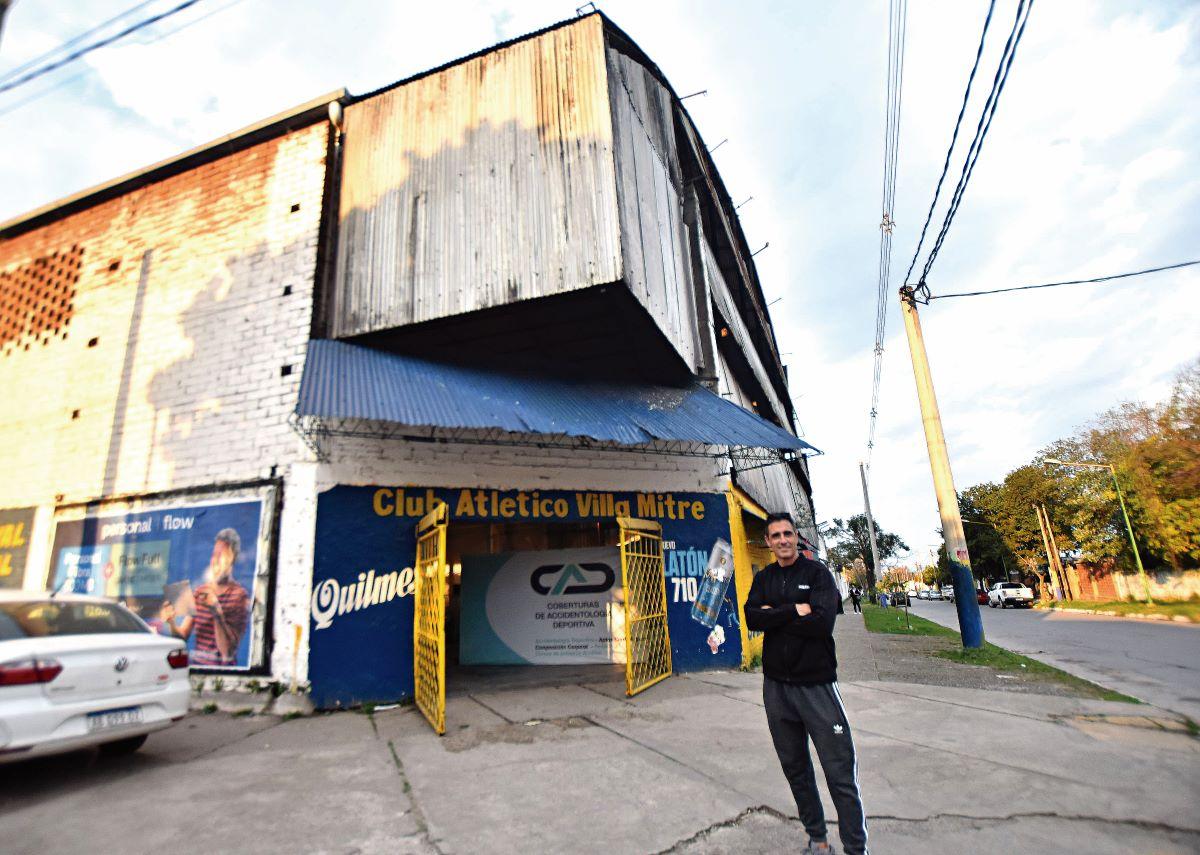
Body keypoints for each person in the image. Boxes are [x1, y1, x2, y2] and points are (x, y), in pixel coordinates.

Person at [745, 512, 869, 855]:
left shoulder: (818, 574)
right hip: (777, 690)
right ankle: (818, 840)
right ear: (768, 542)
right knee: (796, 770)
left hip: (817, 687)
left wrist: (776, 615)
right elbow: (752, 616)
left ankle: (856, 849)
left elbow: (821, 624)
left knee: (839, 773)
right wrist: (793, 610)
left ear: (796, 538)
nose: (782, 540)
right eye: (775, 535)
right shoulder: (765, 578)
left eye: (787, 533)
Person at [161, 528, 251, 666]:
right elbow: (183, 635)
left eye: (221, 555)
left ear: (232, 557)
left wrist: (216, 611)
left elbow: (227, 653)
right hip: (198, 668)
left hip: (223, 676)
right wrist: (172, 623)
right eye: (214, 554)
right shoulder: (200, 592)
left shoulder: (239, 596)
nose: (215, 560)